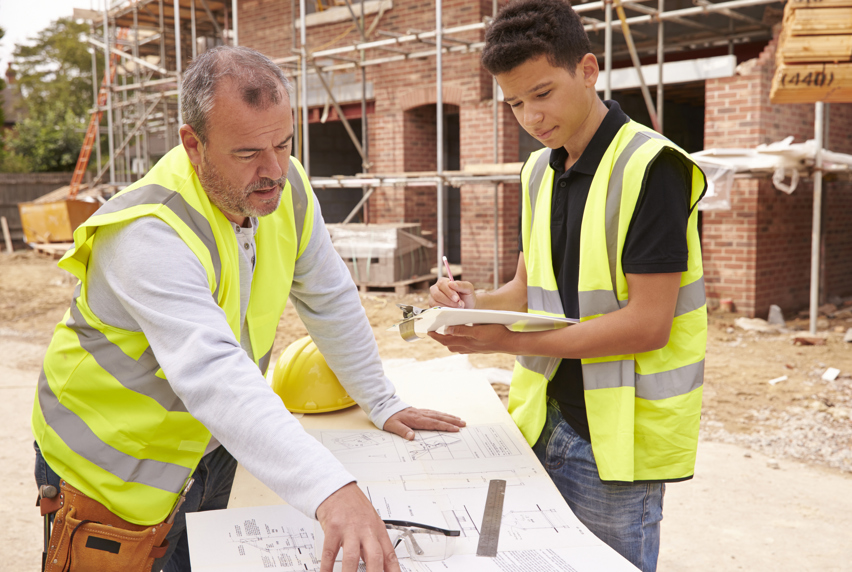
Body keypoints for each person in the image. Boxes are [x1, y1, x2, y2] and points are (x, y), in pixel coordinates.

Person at [33, 45, 465, 572]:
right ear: (193, 144)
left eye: (283, 144)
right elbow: (213, 372)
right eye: (247, 154)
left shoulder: (288, 188)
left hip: (213, 448)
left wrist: (380, 399)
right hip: (110, 472)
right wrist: (331, 490)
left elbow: (330, 298)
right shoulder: (146, 232)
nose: (274, 170)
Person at [429, 1, 707, 570]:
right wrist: (473, 306)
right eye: (513, 102)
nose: (530, 116)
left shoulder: (653, 168)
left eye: (542, 92)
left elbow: (647, 325)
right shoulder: (538, 170)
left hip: (615, 445)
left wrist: (503, 343)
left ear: (587, 69)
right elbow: (528, 290)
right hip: (540, 421)